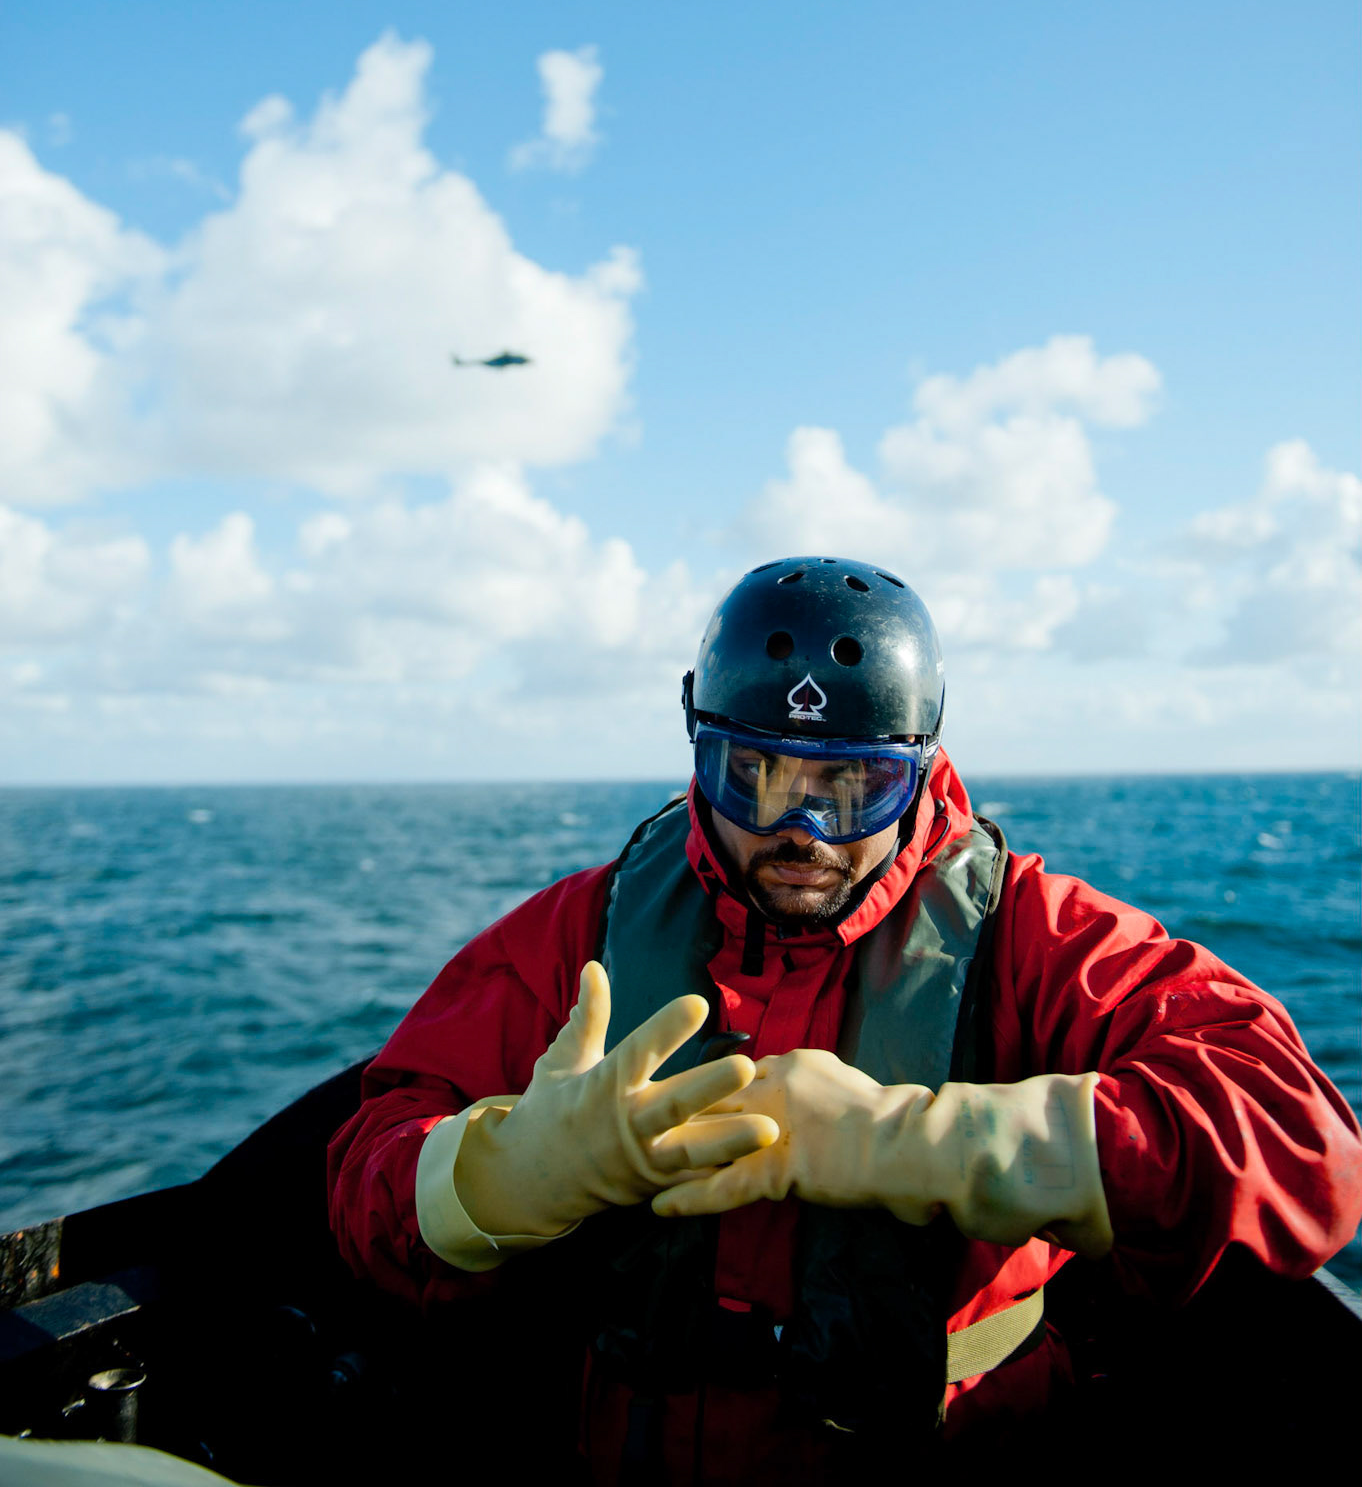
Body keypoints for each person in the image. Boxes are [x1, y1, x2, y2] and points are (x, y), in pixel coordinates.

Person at [327, 557, 1362, 1481]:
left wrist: (927, 1143)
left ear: (922, 767)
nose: (802, 829)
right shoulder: (580, 932)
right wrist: (496, 1174)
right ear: (699, 751)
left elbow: (1299, 1142)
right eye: (754, 774)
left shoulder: (1032, 938)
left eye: (856, 786)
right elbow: (370, 1158)